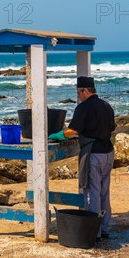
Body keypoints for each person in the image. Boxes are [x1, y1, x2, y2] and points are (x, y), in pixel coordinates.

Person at [48, 76, 116, 241]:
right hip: (108, 153)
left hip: (94, 154)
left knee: (92, 193)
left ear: (85, 90)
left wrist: (56, 135)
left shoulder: (83, 108)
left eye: (79, 92)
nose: (78, 96)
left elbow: (71, 131)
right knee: (104, 193)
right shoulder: (107, 106)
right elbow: (112, 127)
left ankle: (95, 233)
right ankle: (105, 228)